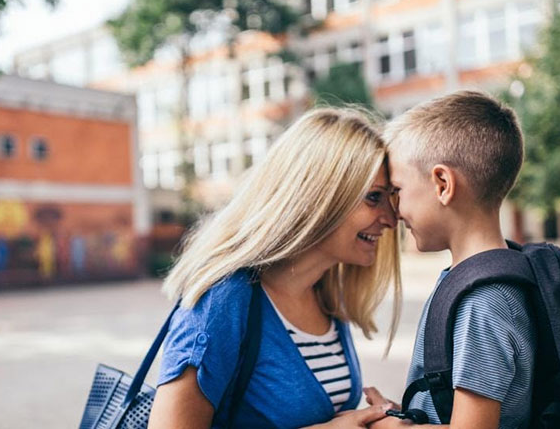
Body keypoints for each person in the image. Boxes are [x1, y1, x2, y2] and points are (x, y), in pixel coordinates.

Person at [148, 108, 401, 428]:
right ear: (319, 195)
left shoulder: (326, 297)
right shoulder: (224, 299)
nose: (391, 220)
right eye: (374, 197)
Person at [366, 90, 535, 428]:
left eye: (397, 191)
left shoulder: (484, 303)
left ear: (442, 183)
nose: (394, 211)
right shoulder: (487, 279)